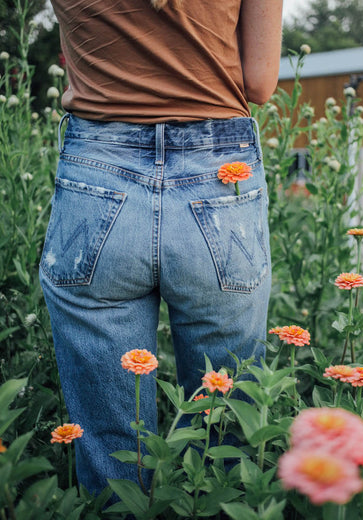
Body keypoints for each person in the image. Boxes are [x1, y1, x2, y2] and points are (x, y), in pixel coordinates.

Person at [40, 0, 283, 496]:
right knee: (225, 423)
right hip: (219, 178)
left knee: (113, 449)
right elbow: (259, 83)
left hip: (98, 169)